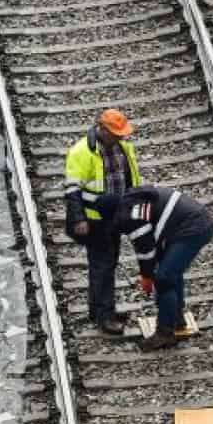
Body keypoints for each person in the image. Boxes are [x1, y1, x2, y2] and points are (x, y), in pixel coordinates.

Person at [97, 186, 213, 350]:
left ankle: (165, 333)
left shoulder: (130, 216)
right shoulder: (131, 200)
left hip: (194, 227)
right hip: (189, 222)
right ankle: (176, 318)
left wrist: (147, 276)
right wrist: (149, 271)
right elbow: (152, 243)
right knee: (169, 270)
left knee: (164, 277)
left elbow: (146, 250)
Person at [63, 109, 142, 335]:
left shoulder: (123, 147)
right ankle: (105, 316)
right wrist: (79, 218)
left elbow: (130, 178)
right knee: (103, 265)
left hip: (115, 215)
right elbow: (72, 189)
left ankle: (98, 309)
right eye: (116, 134)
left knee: (109, 261)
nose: (121, 137)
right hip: (94, 220)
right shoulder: (82, 152)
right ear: (103, 130)